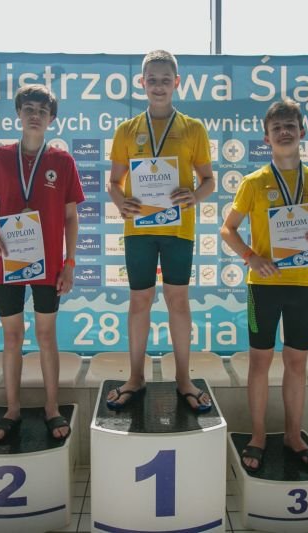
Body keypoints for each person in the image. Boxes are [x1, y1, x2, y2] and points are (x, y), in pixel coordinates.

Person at [220, 98, 308, 474]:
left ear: (303, 132)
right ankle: (257, 436)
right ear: (266, 138)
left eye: (290, 126)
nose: (284, 132)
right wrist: (250, 257)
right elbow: (227, 229)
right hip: (263, 287)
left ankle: (293, 436)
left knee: (297, 363)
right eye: (276, 128)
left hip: (303, 285)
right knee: (260, 362)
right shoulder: (253, 183)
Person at [106, 50, 215, 411]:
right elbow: (113, 182)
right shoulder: (126, 130)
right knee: (139, 300)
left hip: (178, 229)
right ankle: (135, 377)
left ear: (176, 83)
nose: (158, 86)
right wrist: (120, 201)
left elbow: (209, 181)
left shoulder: (193, 128)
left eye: (165, 80)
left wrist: (194, 196)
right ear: (142, 82)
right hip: (138, 230)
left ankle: (183, 379)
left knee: (177, 301)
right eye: (152, 79)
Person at [0, 84, 84, 444]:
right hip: (8, 262)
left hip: (48, 265)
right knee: (12, 337)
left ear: (52, 119)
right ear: (18, 114)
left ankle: (52, 408)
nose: (35, 115)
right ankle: (12, 409)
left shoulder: (63, 162)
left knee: (46, 336)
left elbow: (71, 217)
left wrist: (69, 263)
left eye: (42, 110)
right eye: (29, 109)